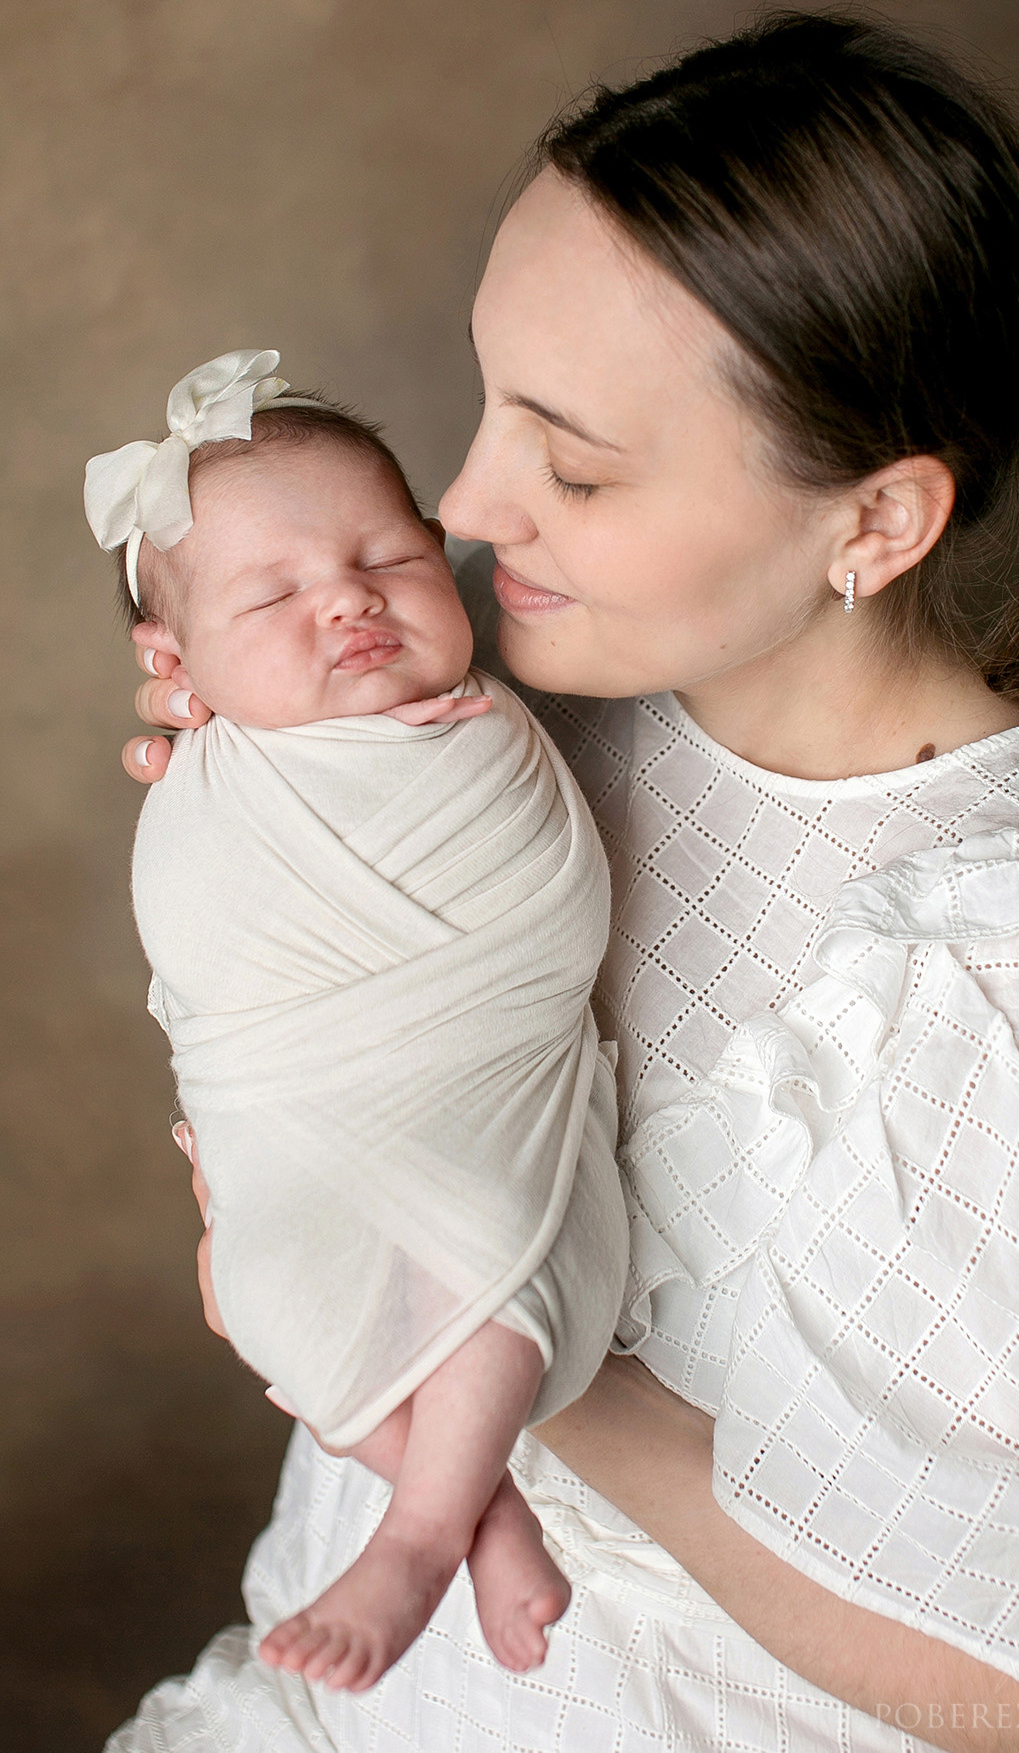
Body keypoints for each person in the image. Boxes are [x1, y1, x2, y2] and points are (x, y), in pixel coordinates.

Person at [109, 11, 1019, 1753]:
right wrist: (262, 791)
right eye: (483, 409)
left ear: (877, 523)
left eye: (578, 464)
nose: (465, 500)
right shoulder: (518, 712)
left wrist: (497, 1371)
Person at [85, 352, 627, 1692]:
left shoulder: (504, 717)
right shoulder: (217, 770)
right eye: (271, 596)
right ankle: (486, 1519)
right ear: (177, 665)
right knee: (276, 1293)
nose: (346, 601)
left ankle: (427, 1529)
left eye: (389, 559)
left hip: (481, 1097)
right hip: (302, 1113)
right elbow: (215, 955)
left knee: (498, 1252)